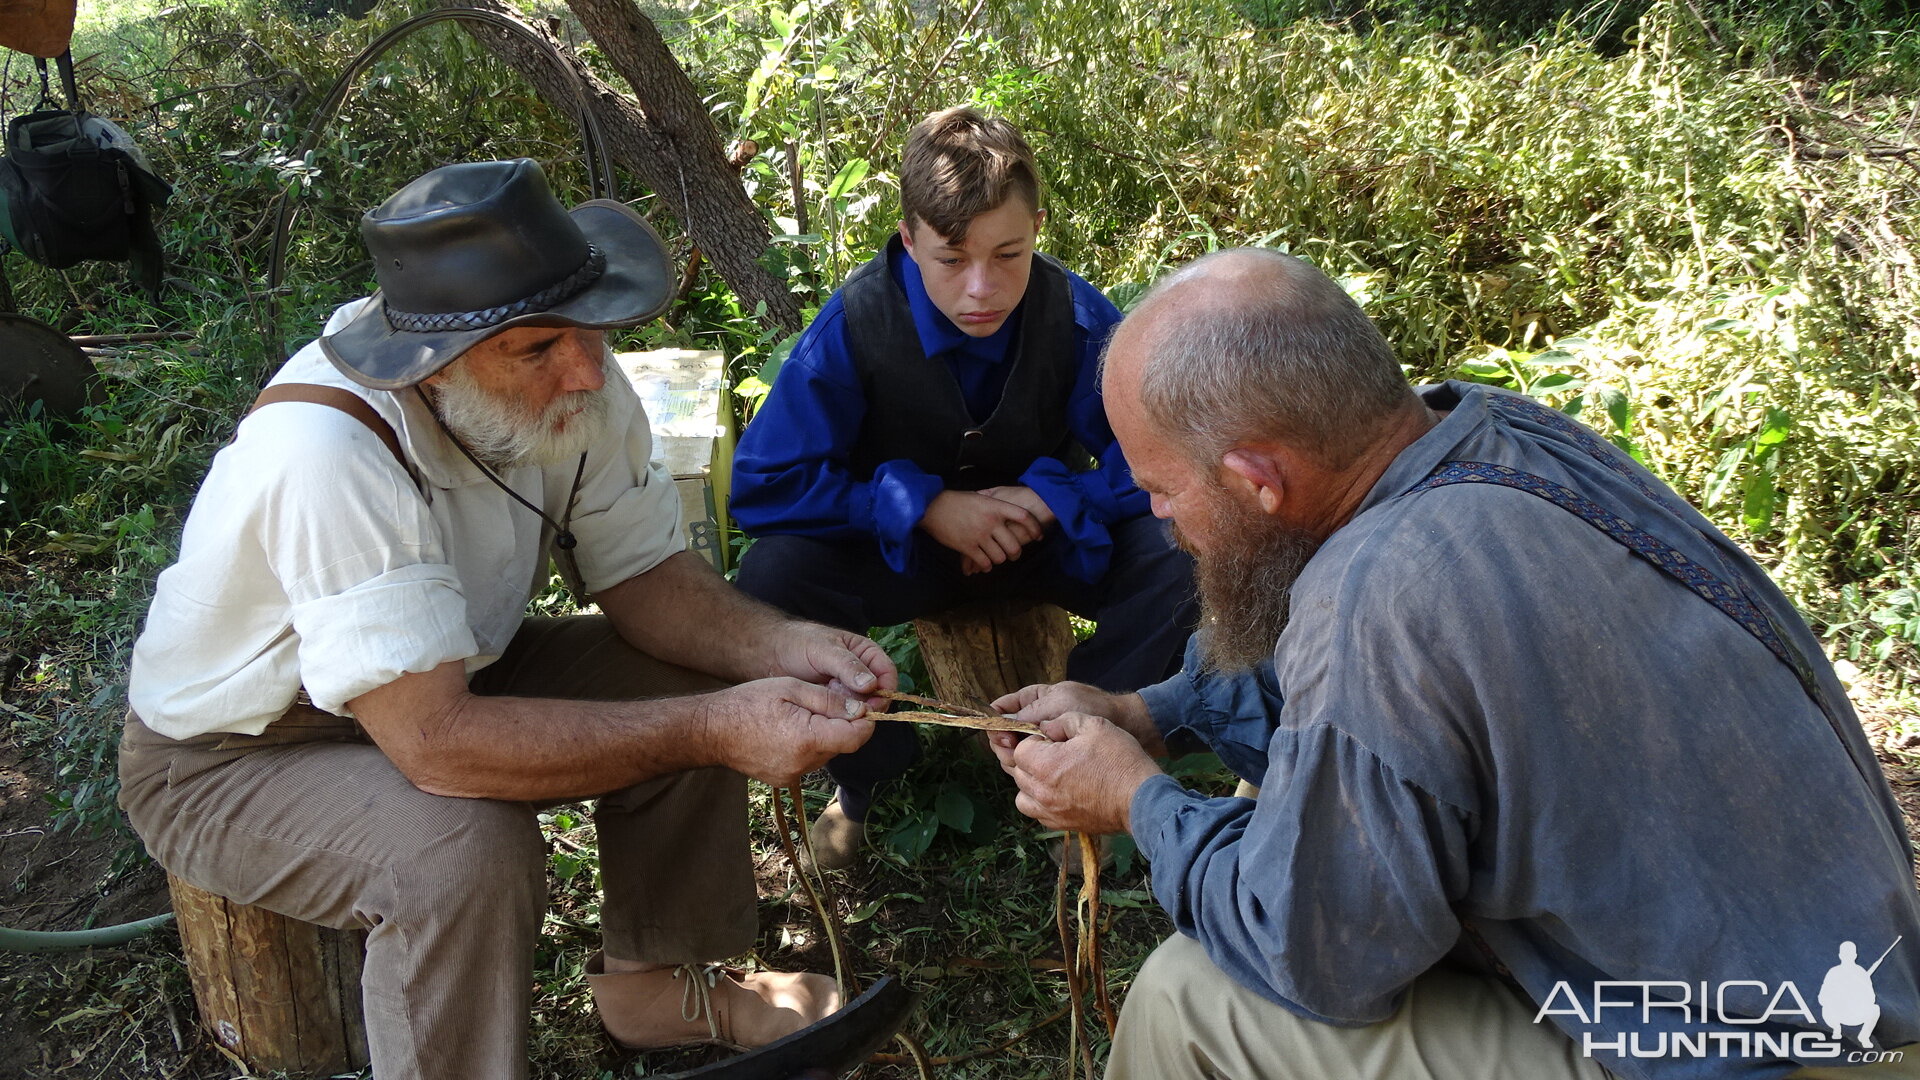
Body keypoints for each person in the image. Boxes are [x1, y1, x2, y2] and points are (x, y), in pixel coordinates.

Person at [988, 248, 1920, 1079]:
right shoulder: (1492, 437)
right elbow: (1355, 694)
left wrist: (1139, 802)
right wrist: (1149, 713)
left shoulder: (1375, 598)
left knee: (1188, 1001)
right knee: (1276, 814)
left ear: (1257, 479)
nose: (1158, 517)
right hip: (1858, 984)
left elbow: (1321, 956)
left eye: (1160, 488)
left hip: (1769, 1056)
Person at [118, 159, 895, 1080]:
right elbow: (439, 745)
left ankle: (655, 990)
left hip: (446, 675)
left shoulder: (577, 373)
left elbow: (645, 574)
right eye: (536, 350)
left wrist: (785, 646)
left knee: (698, 673)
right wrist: (715, 731)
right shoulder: (324, 450)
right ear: (432, 367)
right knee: (461, 852)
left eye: (589, 328)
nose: (586, 368)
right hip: (238, 751)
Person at [729, 107, 1195, 868]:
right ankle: (866, 776)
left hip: (1042, 543)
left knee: (1180, 548)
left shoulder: (1075, 318)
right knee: (773, 579)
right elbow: (762, 486)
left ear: (1038, 228)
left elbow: (1165, 454)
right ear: (909, 238)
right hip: (906, 555)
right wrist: (924, 509)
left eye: (1008, 253)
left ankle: (1083, 761)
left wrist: (1056, 501)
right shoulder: (855, 327)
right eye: (950, 259)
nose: (982, 289)